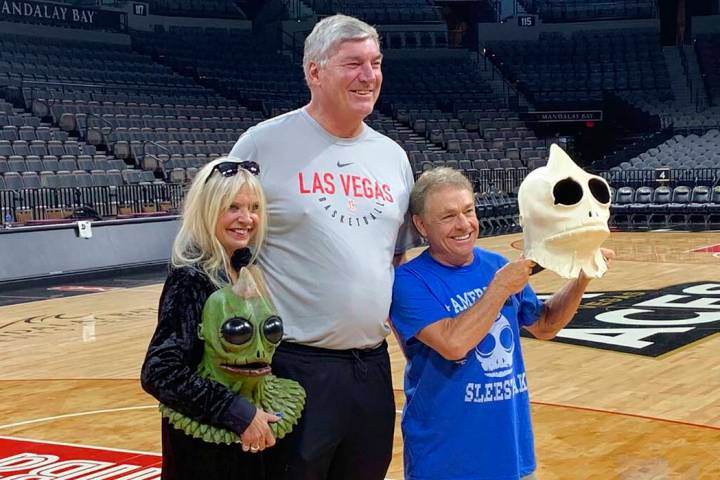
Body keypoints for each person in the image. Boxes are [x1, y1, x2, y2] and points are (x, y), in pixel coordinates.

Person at [229, 13, 420, 480]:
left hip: (371, 366)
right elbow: (220, 244)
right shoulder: (263, 144)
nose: (369, 76)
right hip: (293, 363)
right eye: (353, 63)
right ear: (314, 71)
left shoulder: (393, 156)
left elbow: (394, 258)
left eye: (375, 63)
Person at [389, 167, 614, 480]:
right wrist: (498, 288)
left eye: (468, 211)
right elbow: (453, 344)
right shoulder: (407, 282)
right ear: (420, 224)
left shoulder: (496, 266)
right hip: (446, 462)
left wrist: (583, 275)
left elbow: (545, 326)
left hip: (513, 454)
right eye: (448, 216)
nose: (463, 224)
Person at [141, 157, 280, 480]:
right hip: (203, 456)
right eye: (233, 207)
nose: (247, 218)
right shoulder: (191, 278)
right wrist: (234, 410)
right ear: (207, 210)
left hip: (240, 446)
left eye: (254, 207)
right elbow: (159, 371)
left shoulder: (243, 269)